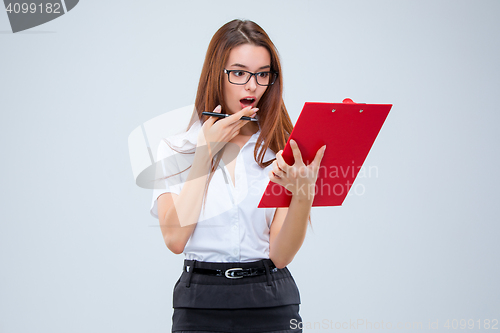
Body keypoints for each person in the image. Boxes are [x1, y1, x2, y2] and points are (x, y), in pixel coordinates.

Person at [150, 19, 326, 333]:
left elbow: (281, 254)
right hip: (200, 303)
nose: (252, 86)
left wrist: (303, 195)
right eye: (239, 73)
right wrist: (204, 154)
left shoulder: (283, 150)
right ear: (217, 74)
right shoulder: (177, 148)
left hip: (271, 301)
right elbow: (175, 239)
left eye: (262, 74)